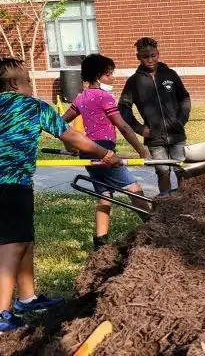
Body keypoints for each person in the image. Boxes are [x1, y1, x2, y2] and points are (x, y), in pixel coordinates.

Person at [0, 57, 123, 333]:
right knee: (12, 244)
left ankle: (27, 298)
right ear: (14, 84)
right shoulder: (32, 107)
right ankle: (1, 313)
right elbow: (73, 137)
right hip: (11, 184)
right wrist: (106, 154)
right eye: (27, 81)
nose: (31, 85)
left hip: (13, 185)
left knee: (24, 238)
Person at [63, 54, 152, 251]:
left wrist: (72, 145)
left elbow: (59, 123)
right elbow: (124, 127)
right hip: (103, 152)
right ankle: (154, 227)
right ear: (98, 76)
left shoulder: (81, 97)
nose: (112, 78)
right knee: (133, 188)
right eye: (109, 74)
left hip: (87, 151)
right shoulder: (104, 97)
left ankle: (100, 242)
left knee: (105, 194)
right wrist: (141, 151)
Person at [118, 37, 191, 197]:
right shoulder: (134, 81)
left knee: (183, 170)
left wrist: (181, 120)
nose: (150, 60)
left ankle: (186, 200)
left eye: (153, 55)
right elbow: (123, 108)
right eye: (145, 57)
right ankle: (165, 200)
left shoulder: (170, 75)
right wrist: (139, 128)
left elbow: (184, 98)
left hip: (177, 134)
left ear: (158, 54)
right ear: (138, 57)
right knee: (162, 171)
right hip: (154, 138)